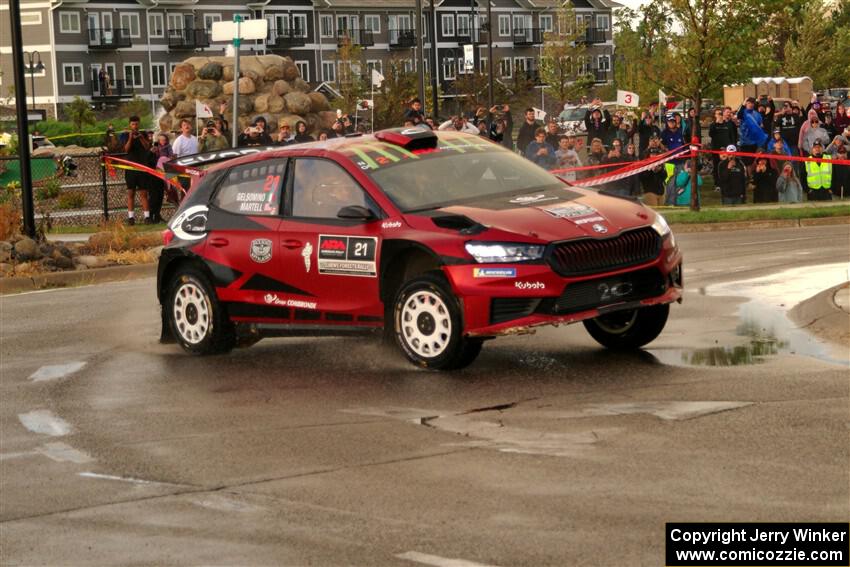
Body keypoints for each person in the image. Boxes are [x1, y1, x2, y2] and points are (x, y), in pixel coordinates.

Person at [119, 116, 151, 225]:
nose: (135, 126)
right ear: (130, 125)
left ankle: (147, 217)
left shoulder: (144, 134)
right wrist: (130, 138)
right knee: (130, 193)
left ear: (139, 124)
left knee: (144, 193)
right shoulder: (125, 135)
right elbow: (126, 149)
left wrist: (141, 137)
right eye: (133, 124)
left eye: (136, 124)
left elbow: (147, 147)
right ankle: (131, 218)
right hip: (131, 167)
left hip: (142, 167)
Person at [736, 97, 767, 162]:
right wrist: (743, 104)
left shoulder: (757, 114)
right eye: (749, 103)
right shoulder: (743, 112)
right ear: (746, 103)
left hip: (755, 142)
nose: (750, 104)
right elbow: (739, 116)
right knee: (746, 162)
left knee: (754, 161)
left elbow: (761, 126)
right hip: (744, 142)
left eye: (752, 103)